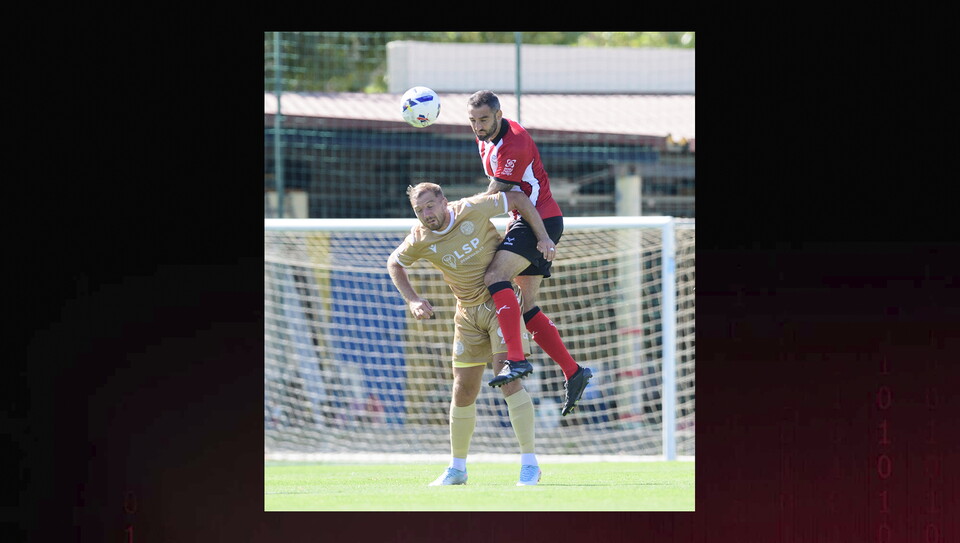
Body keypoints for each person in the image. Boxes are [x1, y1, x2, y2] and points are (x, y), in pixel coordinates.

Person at [387, 182, 555, 486]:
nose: (426, 214)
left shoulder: (473, 208)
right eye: (419, 210)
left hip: (498, 304)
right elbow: (394, 263)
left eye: (429, 206)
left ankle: (530, 464)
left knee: (509, 379)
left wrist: (543, 236)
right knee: (463, 389)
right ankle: (457, 468)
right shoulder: (419, 238)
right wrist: (412, 299)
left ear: (444, 202)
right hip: (466, 313)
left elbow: (517, 197)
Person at [467, 89, 593, 416]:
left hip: (539, 222)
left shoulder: (515, 142)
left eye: (483, 119)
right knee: (526, 306)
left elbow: (497, 194)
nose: (478, 126)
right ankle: (574, 371)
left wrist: (458, 216)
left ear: (498, 115)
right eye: (472, 120)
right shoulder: (484, 139)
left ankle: (517, 360)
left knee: (495, 275)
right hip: (526, 222)